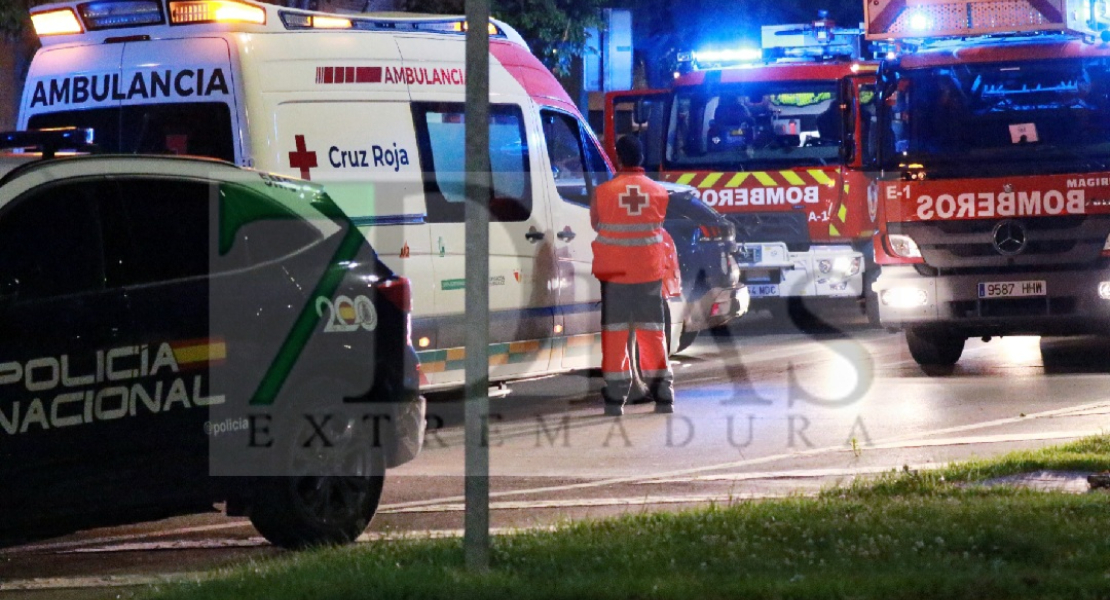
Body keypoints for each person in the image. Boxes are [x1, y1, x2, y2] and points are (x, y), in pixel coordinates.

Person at [590, 135, 674, 416]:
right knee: (652, 334)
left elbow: (596, 224)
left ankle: (615, 401)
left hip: (614, 276)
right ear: (641, 157)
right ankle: (663, 396)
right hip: (648, 273)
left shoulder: (604, 192)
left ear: (617, 156)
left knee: (615, 338)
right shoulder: (659, 192)